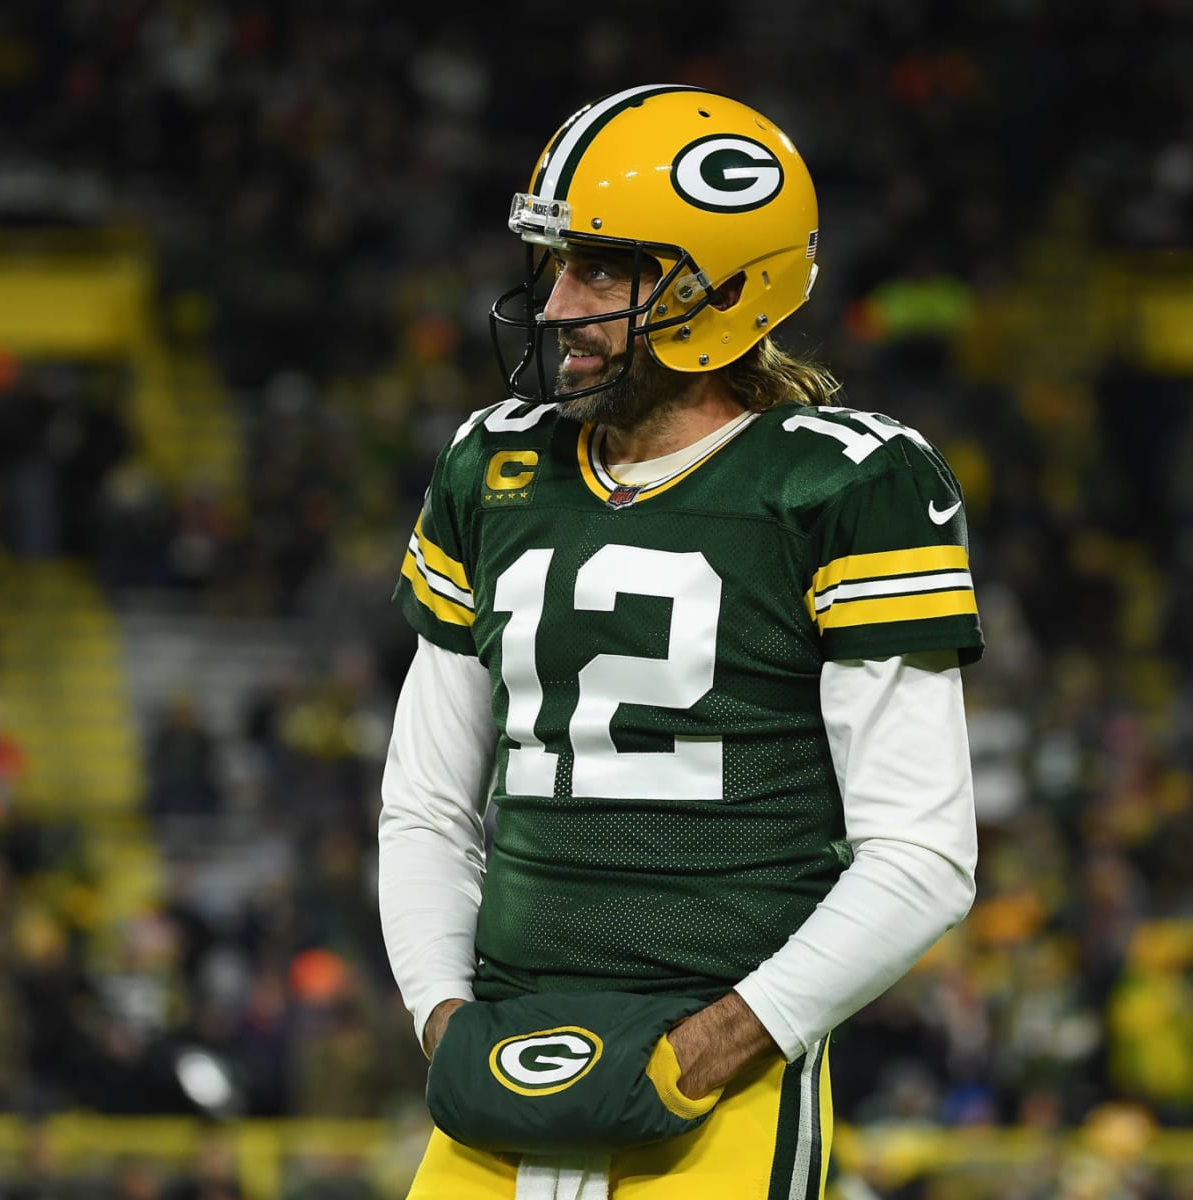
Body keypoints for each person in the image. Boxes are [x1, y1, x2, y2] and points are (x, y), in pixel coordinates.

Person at [378, 83, 982, 1200]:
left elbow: (923, 857)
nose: (558, 302)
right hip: (495, 1076)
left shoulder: (842, 482)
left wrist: (707, 1051)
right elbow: (424, 805)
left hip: (716, 1095)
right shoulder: (493, 464)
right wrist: (443, 1022)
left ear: (720, 284)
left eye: (601, 269)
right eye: (558, 264)